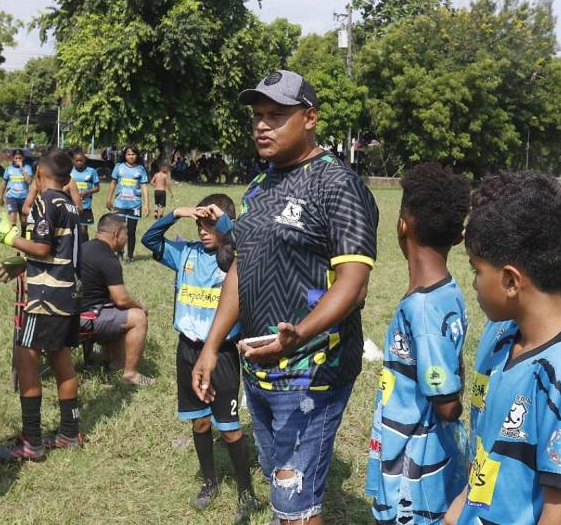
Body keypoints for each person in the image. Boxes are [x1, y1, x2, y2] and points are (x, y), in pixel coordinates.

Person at [192, 70, 379, 525]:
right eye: (258, 115)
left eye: (276, 115)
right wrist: (211, 346)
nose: (262, 125)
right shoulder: (259, 187)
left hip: (312, 370)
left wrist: (301, 334)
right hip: (261, 365)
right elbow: (241, 269)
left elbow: (353, 283)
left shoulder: (337, 184)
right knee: (287, 489)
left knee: (296, 503)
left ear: (310, 118)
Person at [443, 172, 561, 525]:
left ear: (510, 281)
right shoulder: (500, 337)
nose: (472, 283)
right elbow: (486, 446)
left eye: (476, 271)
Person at [142, 194, 261, 521]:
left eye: (211, 225)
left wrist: (224, 221)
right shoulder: (186, 254)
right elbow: (149, 239)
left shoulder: (237, 259)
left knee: (230, 428)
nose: (204, 231)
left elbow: (246, 239)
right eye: (199, 225)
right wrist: (176, 213)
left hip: (221, 353)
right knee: (200, 420)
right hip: (188, 350)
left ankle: (245, 491)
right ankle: (209, 482)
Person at [365, 162, 471, 525]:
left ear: (402, 225)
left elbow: (445, 405)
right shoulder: (448, 292)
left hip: (414, 464)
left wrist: (455, 405)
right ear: (458, 236)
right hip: (417, 451)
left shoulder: (422, 309)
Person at [0, 149, 83, 461]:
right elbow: (60, 252)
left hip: (45, 300)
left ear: (39, 174)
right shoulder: (71, 205)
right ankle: (69, 432)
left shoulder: (45, 201)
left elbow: (41, 246)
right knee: (61, 359)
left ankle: (31, 442)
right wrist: (24, 264)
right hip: (68, 294)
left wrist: (7, 236)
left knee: (25, 357)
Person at [80, 213, 150, 386]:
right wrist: (140, 305)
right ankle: (131, 375)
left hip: (71, 313)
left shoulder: (82, 248)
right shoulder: (108, 258)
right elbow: (121, 300)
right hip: (86, 319)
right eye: (126, 234)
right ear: (116, 233)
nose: (127, 238)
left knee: (116, 313)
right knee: (137, 317)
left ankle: (113, 362)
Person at [106, 145, 149, 263]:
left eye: (133, 154)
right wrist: (109, 199)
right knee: (119, 230)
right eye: (129, 154)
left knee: (131, 231)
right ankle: (119, 253)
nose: (131, 156)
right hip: (120, 204)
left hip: (135, 205)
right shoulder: (119, 167)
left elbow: (144, 186)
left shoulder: (140, 169)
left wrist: (146, 204)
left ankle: (130, 256)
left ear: (137, 156)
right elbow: (113, 183)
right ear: (125, 155)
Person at [70, 148, 101, 240]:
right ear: (73, 161)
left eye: (81, 160)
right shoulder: (70, 171)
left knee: (83, 230)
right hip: (72, 205)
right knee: (72, 229)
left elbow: (97, 187)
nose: (79, 162)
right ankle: (72, 250)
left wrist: (87, 192)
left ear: (85, 160)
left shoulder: (91, 171)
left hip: (85, 206)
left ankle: (84, 249)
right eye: (77, 160)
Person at [0, 150, 33, 231]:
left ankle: (23, 234)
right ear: (13, 158)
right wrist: (1, 197)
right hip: (11, 197)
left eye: (20, 158)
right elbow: (3, 184)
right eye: (16, 158)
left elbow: (29, 182)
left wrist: (22, 168)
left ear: (23, 158)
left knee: (24, 220)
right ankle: (14, 234)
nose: (18, 160)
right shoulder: (8, 169)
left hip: (24, 198)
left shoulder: (27, 168)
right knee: (13, 215)